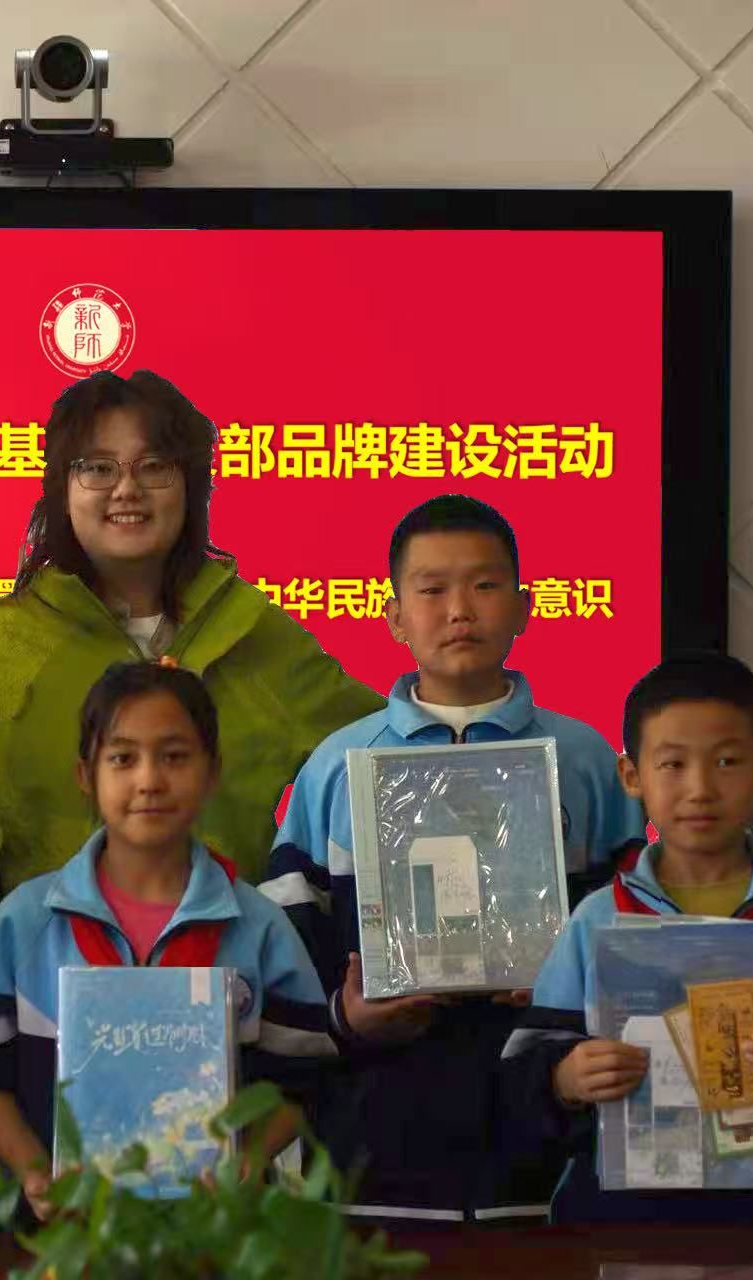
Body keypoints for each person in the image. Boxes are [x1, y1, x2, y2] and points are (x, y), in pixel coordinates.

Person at [262, 494, 647, 1223]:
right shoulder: (337, 766)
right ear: (394, 617)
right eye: (432, 589)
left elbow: (634, 933)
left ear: (525, 607)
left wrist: (563, 988)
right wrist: (347, 1018)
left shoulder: (587, 760)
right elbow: (287, 952)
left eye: (485, 584)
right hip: (376, 1145)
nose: (459, 610)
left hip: (547, 1142)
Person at [0, 370, 382, 885]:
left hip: (233, 934)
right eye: (98, 468)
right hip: (42, 936)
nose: (127, 489)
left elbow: (393, 753)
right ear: (61, 490)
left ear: (192, 487)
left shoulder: (254, 632)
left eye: (154, 466)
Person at [501, 653, 753, 1224]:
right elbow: (518, 1080)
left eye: (726, 761)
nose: (700, 789)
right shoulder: (597, 920)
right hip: (618, 1221)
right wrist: (565, 1080)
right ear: (631, 776)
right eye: (672, 763)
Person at [0, 661, 335, 1218]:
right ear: (85, 775)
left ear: (213, 771)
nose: (149, 780)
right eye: (123, 758)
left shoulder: (260, 927)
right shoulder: (23, 923)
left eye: (174, 757)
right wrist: (34, 1172)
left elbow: (298, 1083)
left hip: (214, 1236)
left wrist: (249, 1159)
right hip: (58, 1240)